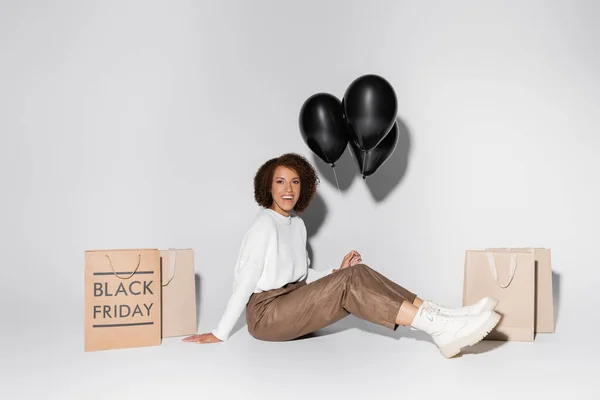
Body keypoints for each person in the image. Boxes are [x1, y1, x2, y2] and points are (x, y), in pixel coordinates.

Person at [183, 153, 500, 358]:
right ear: (268, 186)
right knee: (350, 281)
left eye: (295, 182)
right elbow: (245, 281)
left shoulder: (296, 224)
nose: (288, 189)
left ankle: (445, 317)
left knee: (357, 273)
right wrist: (219, 332)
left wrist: (336, 271)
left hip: (292, 300)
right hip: (267, 315)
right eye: (280, 182)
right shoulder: (264, 225)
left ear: (303, 187)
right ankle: (438, 328)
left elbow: (302, 276)